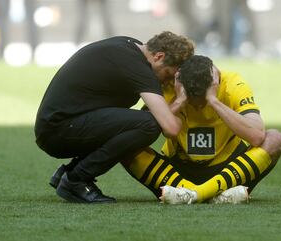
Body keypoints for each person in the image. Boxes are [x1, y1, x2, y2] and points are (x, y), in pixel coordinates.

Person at [35, 31, 195, 203]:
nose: (168, 81)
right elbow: (170, 128)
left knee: (140, 121)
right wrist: (181, 99)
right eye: (168, 74)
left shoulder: (131, 48)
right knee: (148, 125)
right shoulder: (137, 66)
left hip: (58, 124)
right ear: (158, 56)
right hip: (58, 130)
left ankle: (69, 172)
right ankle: (76, 180)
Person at [122, 55, 281, 204]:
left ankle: (194, 194)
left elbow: (257, 135)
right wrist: (180, 101)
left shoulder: (233, 83)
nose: (199, 107)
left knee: (275, 139)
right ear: (180, 85)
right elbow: (139, 130)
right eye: (193, 101)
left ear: (215, 84)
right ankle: (215, 195)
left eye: (203, 100)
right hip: (177, 170)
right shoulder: (169, 87)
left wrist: (213, 101)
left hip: (229, 170)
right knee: (124, 141)